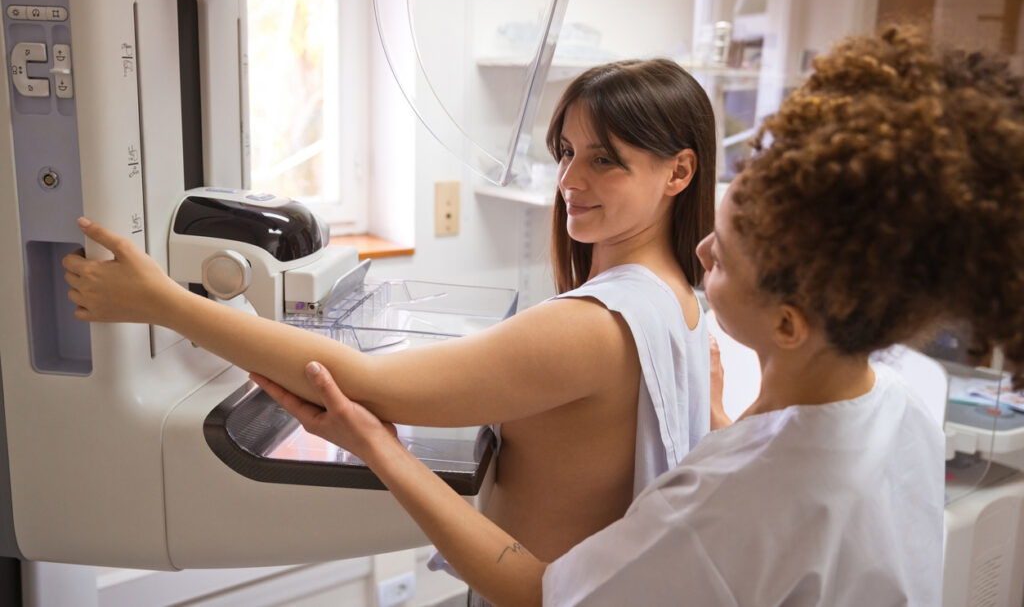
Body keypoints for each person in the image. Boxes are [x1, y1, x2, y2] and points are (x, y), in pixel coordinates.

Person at [248, 24, 1024, 606]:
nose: (707, 251)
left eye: (730, 252)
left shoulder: (723, 504)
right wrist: (721, 419)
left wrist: (374, 445)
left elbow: (543, 589)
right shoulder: (902, 406)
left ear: (791, 324)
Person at [63, 59, 719, 571]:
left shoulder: (594, 325)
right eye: (567, 152)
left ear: (678, 171)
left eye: (605, 159)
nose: (570, 180)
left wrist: (160, 303)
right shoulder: (678, 299)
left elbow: (361, 381)